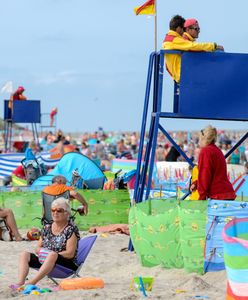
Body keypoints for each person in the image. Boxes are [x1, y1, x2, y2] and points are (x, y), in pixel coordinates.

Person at [14, 198, 80, 286]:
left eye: (59, 210)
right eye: (53, 210)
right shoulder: (47, 227)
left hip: (65, 265)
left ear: (67, 213)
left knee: (52, 255)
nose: (55, 213)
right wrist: (43, 252)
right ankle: (20, 283)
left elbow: (70, 254)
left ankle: (31, 283)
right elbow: (37, 248)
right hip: (45, 261)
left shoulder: (71, 229)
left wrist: (52, 254)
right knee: (24, 254)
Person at [162, 15, 224, 83]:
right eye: (196, 29)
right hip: (183, 73)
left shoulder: (170, 39)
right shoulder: (174, 40)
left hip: (182, 72)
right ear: (179, 28)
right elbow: (192, 46)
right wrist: (213, 46)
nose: (184, 31)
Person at [191, 126, 236, 200]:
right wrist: (196, 184)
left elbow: (205, 175)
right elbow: (213, 174)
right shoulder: (217, 150)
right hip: (227, 192)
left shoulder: (206, 151)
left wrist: (201, 198)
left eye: (199, 139)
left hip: (217, 195)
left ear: (203, 138)